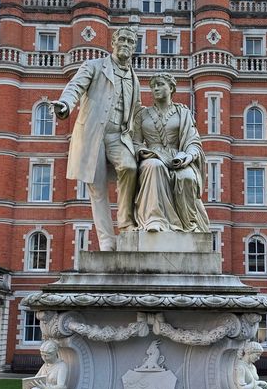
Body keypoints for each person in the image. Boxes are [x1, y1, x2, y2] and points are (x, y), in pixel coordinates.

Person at [52, 27, 141, 251]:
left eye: (130, 41)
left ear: (134, 47)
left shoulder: (134, 78)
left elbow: (136, 112)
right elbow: (75, 87)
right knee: (98, 188)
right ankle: (106, 241)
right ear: (113, 42)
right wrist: (65, 104)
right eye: (122, 38)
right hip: (93, 134)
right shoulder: (94, 66)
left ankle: (126, 224)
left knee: (130, 168)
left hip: (117, 135)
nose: (126, 43)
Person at [132, 73, 211, 233]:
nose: (156, 88)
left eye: (160, 84)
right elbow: (135, 142)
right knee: (155, 166)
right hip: (151, 156)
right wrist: (143, 152)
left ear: (171, 88)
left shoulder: (183, 113)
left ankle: (189, 224)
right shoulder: (142, 115)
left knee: (187, 177)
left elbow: (193, 141)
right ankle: (154, 219)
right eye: (153, 86)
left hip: (177, 158)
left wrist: (187, 156)